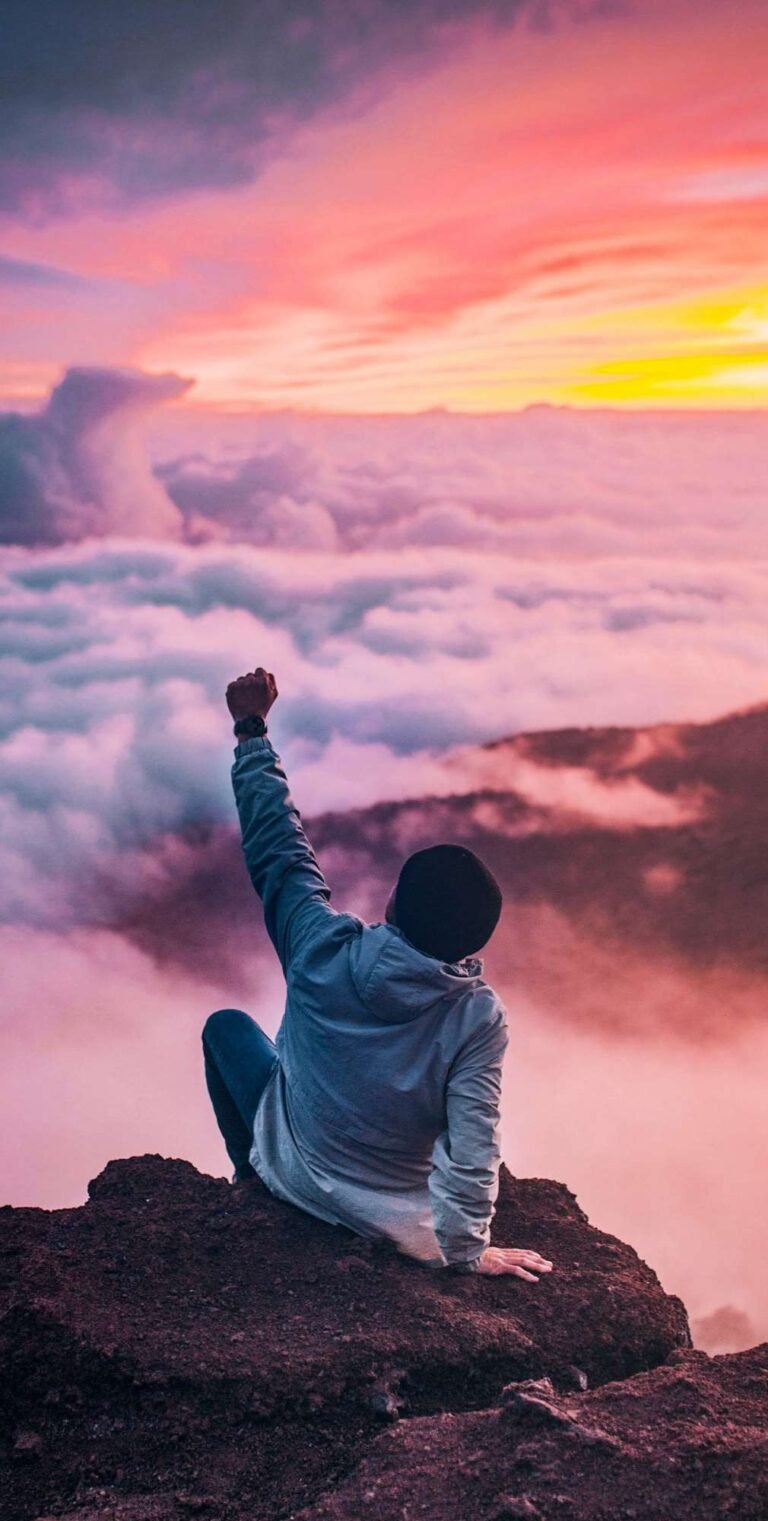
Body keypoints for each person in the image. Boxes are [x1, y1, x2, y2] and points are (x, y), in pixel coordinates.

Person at [202, 667, 554, 1282]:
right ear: (474, 942)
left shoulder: (319, 945)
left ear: (394, 905)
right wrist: (468, 1253)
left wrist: (251, 732)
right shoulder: (477, 1017)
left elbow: (279, 851)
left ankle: (250, 1175)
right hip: (392, 1218)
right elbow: (475, 1149)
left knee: (227, 1027)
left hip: (295, 1171)